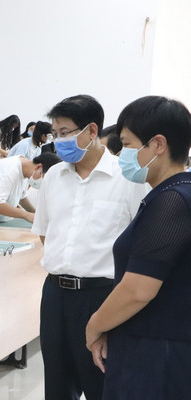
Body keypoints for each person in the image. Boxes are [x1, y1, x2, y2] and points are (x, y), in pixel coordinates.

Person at [31, 94, 148, 400]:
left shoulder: (127, 178)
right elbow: (46, 234)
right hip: (55, 295)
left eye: (65, 133)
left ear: (92, 130)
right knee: (57, 386)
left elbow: (140, 244)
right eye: (55, 134)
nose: (59, 142)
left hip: (102, 296)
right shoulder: (54, 176)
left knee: (102, 385)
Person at [85, 96, 191, 400]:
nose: (121, 155)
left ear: (157, 144)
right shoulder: (171, 194)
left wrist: (94, 326)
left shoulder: (172, 201)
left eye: (127, 145)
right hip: (152, 343)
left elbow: (138, 289)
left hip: (157, 352)